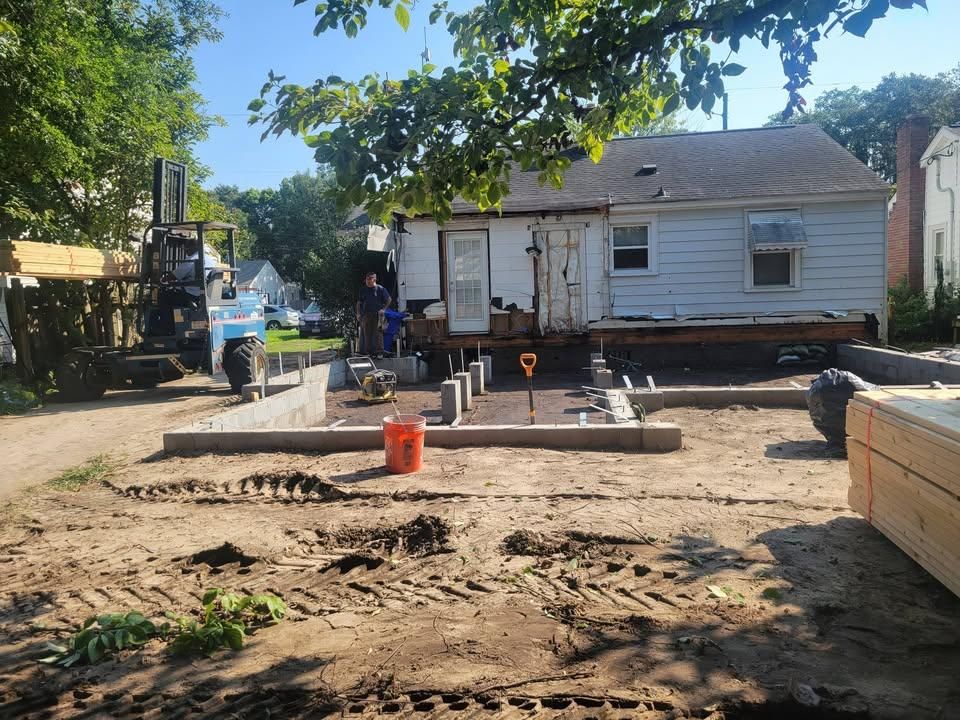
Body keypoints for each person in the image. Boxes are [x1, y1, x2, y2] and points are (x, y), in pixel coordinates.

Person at [356, 271, 391, 357]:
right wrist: (358, 314)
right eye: (367, 279)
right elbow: (358, 303)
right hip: (366, 315)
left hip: (378, 315)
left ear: (374, 279)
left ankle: (379, 352)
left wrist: (384, 309)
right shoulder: (363, 290)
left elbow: (389, 299)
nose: (368, 281)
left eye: (370, 279)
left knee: (378, 333)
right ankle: (368, 353)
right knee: (366, 334)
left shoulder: (380, 289)